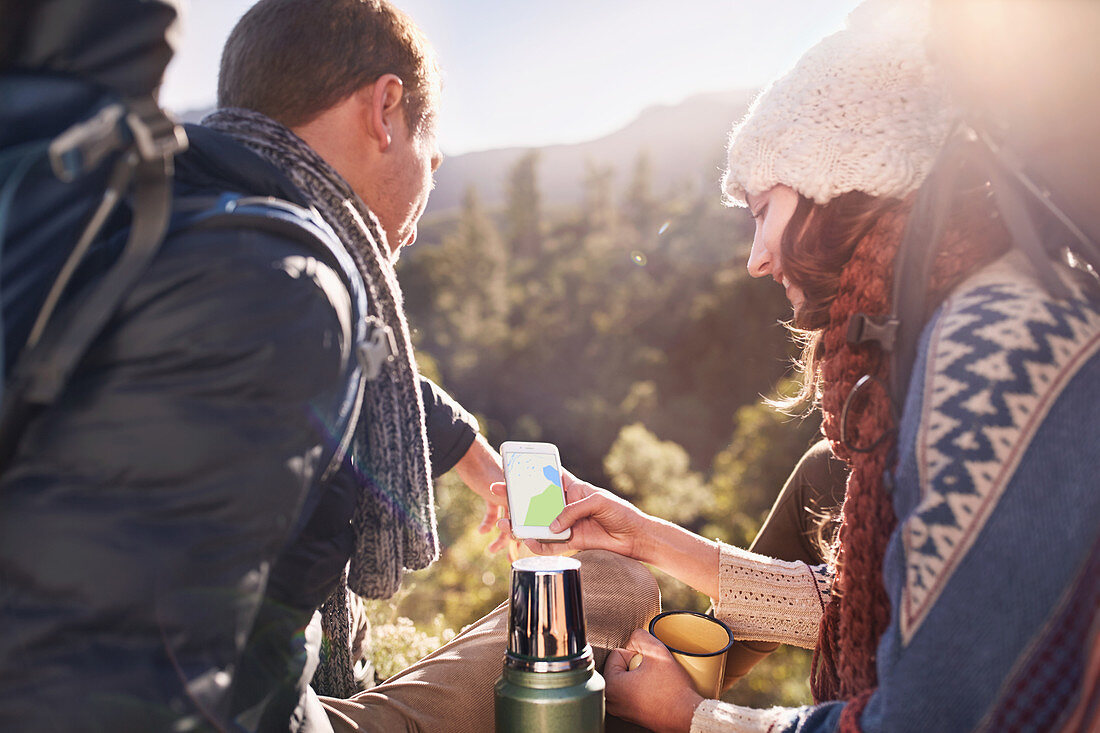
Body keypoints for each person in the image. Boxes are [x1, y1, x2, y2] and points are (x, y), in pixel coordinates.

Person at [0, 0, 659, 730]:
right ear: (385, 110)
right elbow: (154, 682)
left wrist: (476, 457)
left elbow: (377, 384)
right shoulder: (286, 287)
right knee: (614, 588)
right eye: (429, 158)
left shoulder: (176, 210)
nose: (425, 188)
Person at [508, 1, 1100, 731]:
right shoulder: (952, 323)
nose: (756, 257)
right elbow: (864, 607)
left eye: (762, 210)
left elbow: (931, 718)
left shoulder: (994, 346)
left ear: (839, 181)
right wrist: (643, 536)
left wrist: (698, 718)